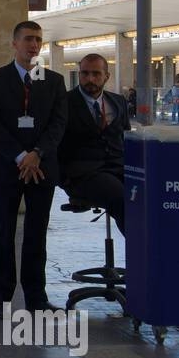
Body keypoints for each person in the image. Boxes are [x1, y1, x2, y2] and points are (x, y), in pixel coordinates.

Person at [0, 20, 68, 312]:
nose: (34, 45)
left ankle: (36, 298)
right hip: (8, 168)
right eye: (28, 39)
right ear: (14, 43)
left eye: (38, 40)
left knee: (36, 233)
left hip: (42, 169)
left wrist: (37, 154)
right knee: (2, 232)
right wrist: (21, 156)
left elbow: (58, 124)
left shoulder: (54, 81)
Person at [59, 54, 130, 235]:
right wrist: (62, 178)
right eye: (85, 73)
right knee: (122, 198)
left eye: (96, 74)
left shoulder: (118, 102)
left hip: (118, 167)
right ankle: (142, 252)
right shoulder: (63, 102)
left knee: (152, 193)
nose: (90, 79)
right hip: (83, 174)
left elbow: (127, 138)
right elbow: (53, 142)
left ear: (107, 76)